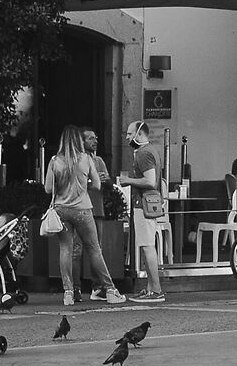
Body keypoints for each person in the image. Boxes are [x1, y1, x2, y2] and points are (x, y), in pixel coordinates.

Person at [44, 125, 122, 307]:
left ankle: (69, 293)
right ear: (78, 141)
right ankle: (110, 290)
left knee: (66, 250)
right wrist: (82, 183)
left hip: (61, 209)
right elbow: (97, 185)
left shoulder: (55, 160)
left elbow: (48, 188)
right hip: (82, 209)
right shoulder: (85, 159)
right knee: (94, 249)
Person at [119, 120, 170, 305]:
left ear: (140, 134)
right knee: (147, 245)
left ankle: (156, 290)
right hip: (151, 202)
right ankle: (150, 288)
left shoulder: (142, 153)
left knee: (148, 246)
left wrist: (128, 181)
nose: (127, 137)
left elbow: (149, 180)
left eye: (130, 134)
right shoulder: (153, 151)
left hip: (144, 203)